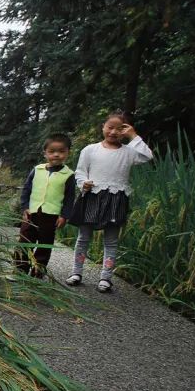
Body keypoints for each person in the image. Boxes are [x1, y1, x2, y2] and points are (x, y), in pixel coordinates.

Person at [65, 111, 153, 292]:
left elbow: (147, 156)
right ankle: (76, 272)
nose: (113, 132)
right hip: (91, 197)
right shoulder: (90, 149)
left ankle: (106, 278)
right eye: (110, 127)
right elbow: (80, 172)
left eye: (119, 129)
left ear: (125, 131)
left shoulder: (129, 153)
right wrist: (83, 183)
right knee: (83, 238)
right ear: (103, 127)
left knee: (111, 241)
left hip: (116, 199)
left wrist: (134, 136)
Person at [14, 133, 76, 278]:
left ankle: (38, 272)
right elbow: (27, 189)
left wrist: (64, 216)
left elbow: (69, 198)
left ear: (68, 153)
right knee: (25, 241)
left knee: (44, 245)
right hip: (32, 213)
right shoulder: (37, 170)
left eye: (61, 151)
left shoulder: (68, 175)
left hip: (51, 216)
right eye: (52, 151)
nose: (56, 155)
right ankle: (19, 271)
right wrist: (25, 207)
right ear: (45, 153)